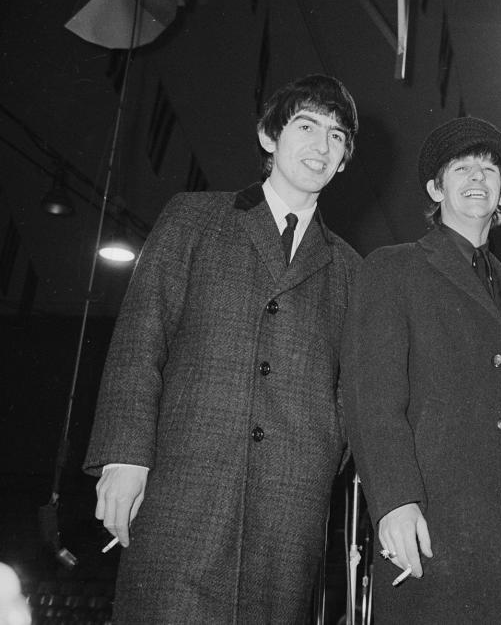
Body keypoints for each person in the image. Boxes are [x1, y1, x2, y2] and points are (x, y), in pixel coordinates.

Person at [82, 74, 362, 622]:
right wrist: (125, 455)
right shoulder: (194, 217)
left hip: (290, 510)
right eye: (307, 126)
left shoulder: (350, 267)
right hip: (181, 491)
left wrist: (323, 454)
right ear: (268, 137)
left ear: (345, 159)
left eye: (336, 136)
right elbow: (142, 337)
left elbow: (353, 389)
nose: (322, 145)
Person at [340, 116, 501, 624]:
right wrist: (395, 500)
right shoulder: (392, 268)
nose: (478, 178)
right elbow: (371, 401)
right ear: (435, 187)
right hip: (438, 523)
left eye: (490, 170)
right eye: (462, 168)